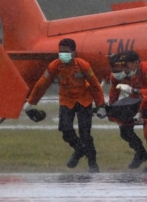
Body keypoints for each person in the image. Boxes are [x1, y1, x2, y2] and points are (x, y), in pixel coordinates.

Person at [24, 38, 106, 173]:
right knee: (65, 130)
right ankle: (79, 150)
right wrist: (30, 103)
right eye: (60, 52)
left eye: (66, 52)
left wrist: (101, 105)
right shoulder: (54, 66)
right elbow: (42, 84)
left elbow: (95, 85)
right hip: (66, 100)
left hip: (84, 99)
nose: (63, 55)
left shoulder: (83, 65)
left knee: (85, 134)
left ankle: (92, 163)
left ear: (74, 52)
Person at [107, 53, 147, 169]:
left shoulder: (138, 72)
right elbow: (113, 93)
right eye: (114, 70)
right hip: (133, 102)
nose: (118, 73)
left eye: (120, 69)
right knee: (124, 131)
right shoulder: (115, 77)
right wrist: (112, 110)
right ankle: (140, 152)